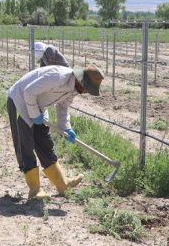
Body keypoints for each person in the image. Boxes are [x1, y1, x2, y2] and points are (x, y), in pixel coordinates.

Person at [6, 63, 104, 198]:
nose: (86, 92)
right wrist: (34, 114)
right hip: (20, 100)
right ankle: (35, 190)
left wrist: (66, 128)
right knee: (26, 145)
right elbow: (28, 92)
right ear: (81, 80)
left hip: (38, 105)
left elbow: (63, 107)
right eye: (87, 88)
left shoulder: (75, 88)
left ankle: (62, 184)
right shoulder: (57, 78)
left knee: (45, 142)